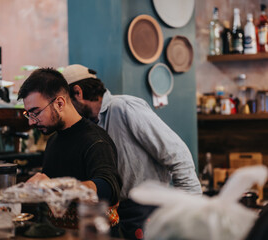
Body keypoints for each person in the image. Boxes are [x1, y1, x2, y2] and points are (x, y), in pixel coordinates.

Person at [62, 64, 202, 240]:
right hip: (119, 214)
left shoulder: (124, 107)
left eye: (66, 101)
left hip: (149, 210)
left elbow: (179, 157)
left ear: (78, 93)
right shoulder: (90, 125)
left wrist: (191, 214)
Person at [17, 67, 122, 235]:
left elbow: (108, 187)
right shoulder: (53, 140)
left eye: (35, 113)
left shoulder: (95, 140)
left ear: (60, 103)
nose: (31, 122)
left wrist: (57, 186)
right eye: (28, 114)